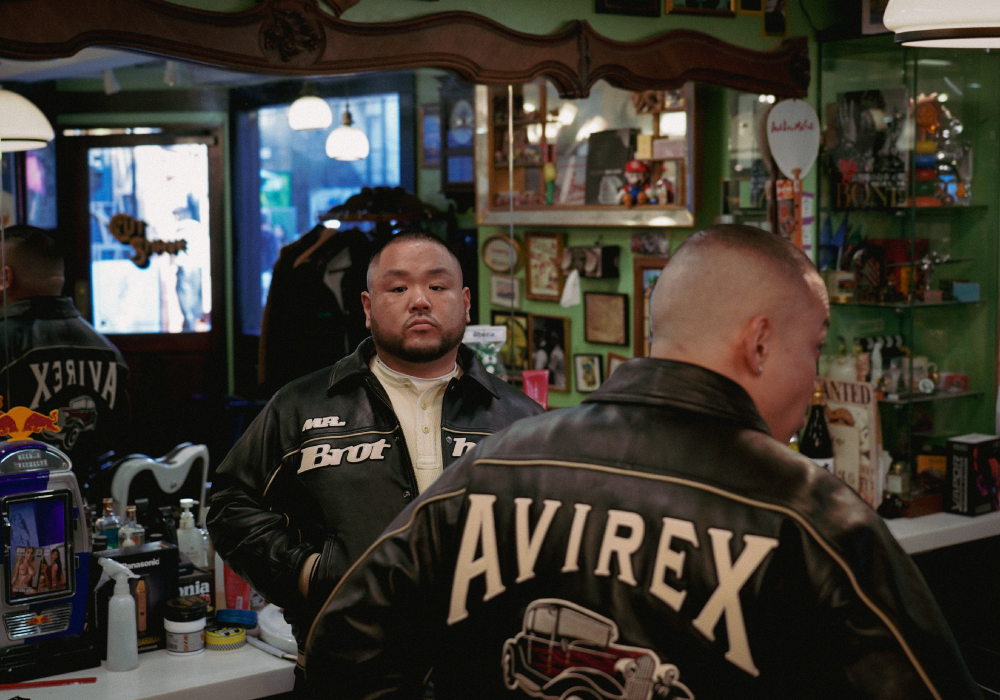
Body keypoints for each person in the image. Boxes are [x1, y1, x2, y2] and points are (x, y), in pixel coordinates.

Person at [305, 225, 981, 700]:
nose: (814, 379)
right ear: (760, 343)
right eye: (814, 348)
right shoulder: (810, 517)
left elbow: (345, 648)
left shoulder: (494, 466)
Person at [207, 230, 544, 689]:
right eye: (398, 287)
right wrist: (307, 573)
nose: (419, 300)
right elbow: (230, 504)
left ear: (466, 303)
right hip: (345, 673)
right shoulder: (301, 406)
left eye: (437, 286)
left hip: (481, 675)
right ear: (367, 308)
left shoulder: (521, 419)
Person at [0, 225, 129, 490]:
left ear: (5, 277)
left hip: (14, 502)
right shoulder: (108, 351)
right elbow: (119, 442)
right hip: (86, 501)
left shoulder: (5, 342)